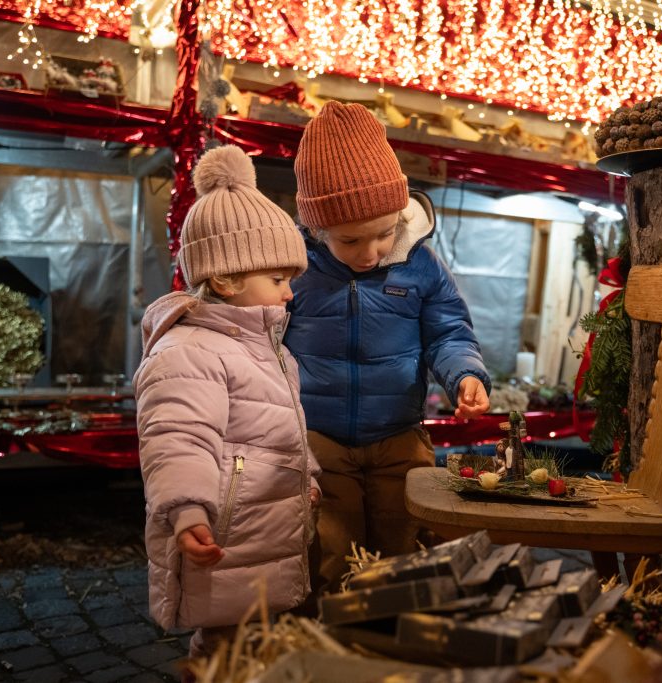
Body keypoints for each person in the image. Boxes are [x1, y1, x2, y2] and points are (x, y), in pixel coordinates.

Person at [285, 101, 492, 594]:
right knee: (330, 551)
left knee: (405, 543)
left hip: (400, 434)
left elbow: (448, 332)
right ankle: (334, 631)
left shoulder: (421, 265)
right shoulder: (293, 267)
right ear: (317, 229)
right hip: (317, 439)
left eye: (383, 234)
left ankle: (399, 630)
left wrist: (465, 373)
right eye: (350, 241)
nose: (371, 252)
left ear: (400, 215)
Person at [134, 144, 320, 663]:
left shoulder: (267, 348)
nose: (289, 294)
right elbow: (177, 438)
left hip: (264, 531)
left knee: (251, 643)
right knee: (225, 648)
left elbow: (281, 428)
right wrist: (187, 509)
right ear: (225, 278)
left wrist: (305, 475)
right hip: (226, 533)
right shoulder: (189, 350)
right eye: (277, 280)